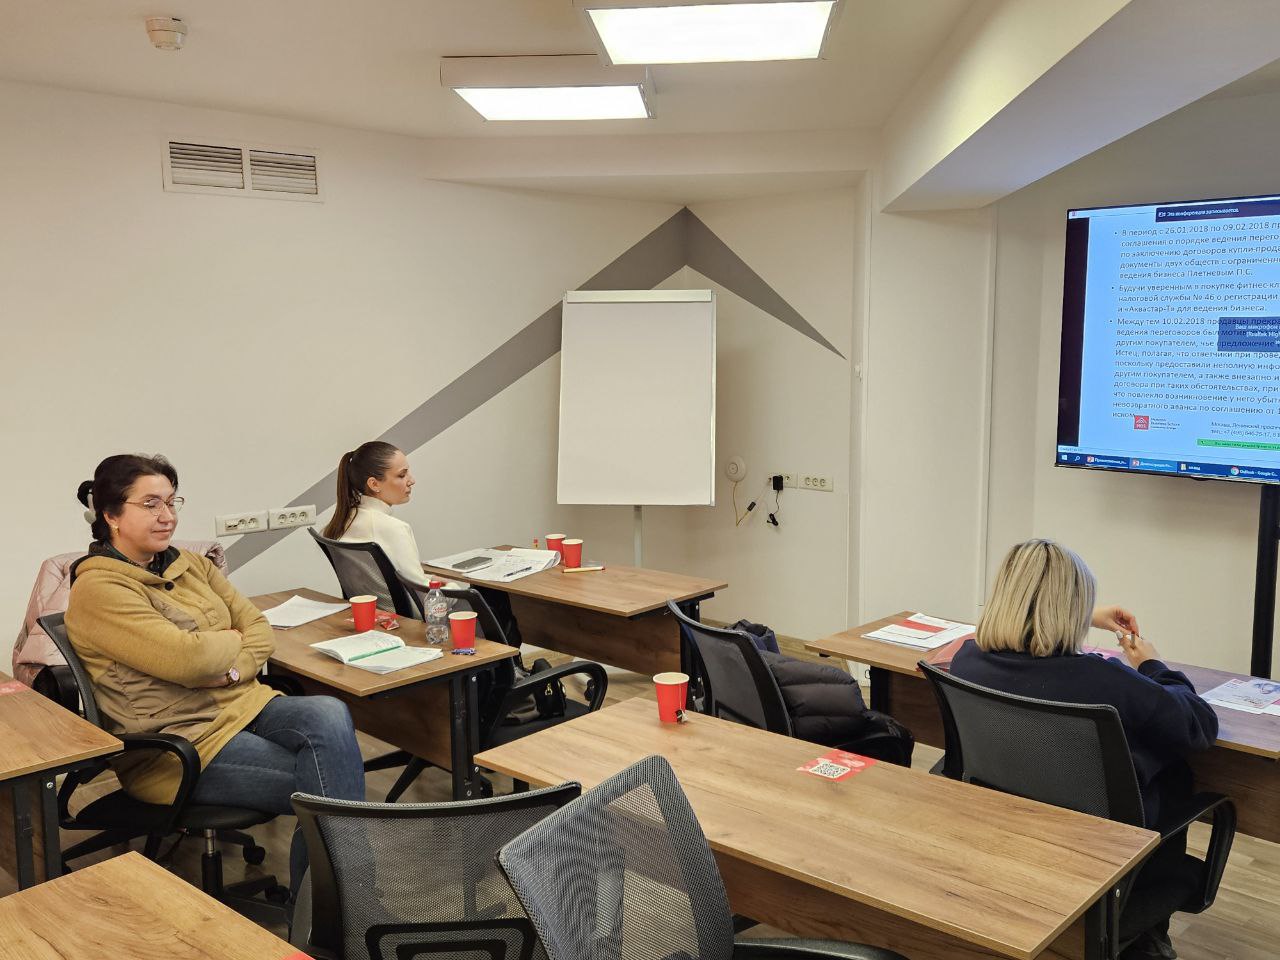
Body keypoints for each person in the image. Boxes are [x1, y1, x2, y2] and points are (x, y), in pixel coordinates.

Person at [64, 453, 365, 897]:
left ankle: (335, 907)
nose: (167, 516)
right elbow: (188, 661)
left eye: (171, 501)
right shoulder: (99, 589)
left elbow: (259, 628)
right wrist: (227, 642)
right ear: (111, 515)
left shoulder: (191, 564)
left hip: (240, 705)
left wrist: (228, 670)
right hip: (181, 744)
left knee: (328, 712)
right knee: (330, 786)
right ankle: (338, 911)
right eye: (150, 504)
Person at [951, 538, 1217, 960]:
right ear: (1068, 608)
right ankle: (1145, 931)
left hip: (1010, 828)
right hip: (1100, 848)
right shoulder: (1105, 681)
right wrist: (1152, 664)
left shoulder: (967, 661)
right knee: (1174, 776)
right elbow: (1197, 724)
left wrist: (1084, 613)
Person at [323, 441, 430, 587]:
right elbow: (423, 595)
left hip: (367, 603)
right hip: (404, 603)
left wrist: (429, 580)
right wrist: (450, 587)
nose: (411, 481)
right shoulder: (394, 528)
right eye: (402, 475)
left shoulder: (345, 520)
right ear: (374, 484)